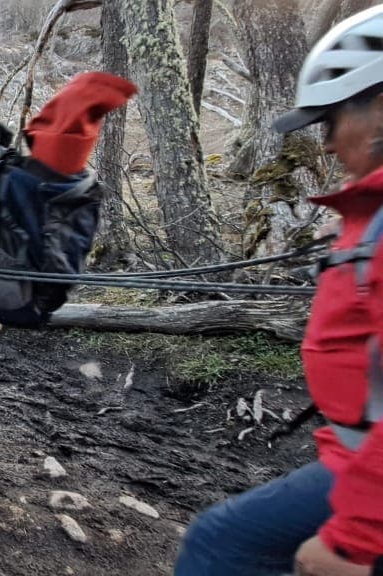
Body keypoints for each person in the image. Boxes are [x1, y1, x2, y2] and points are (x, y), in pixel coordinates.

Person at [175, 6, 383, 575]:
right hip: (357, 455)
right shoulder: (370, 219)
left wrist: (353, 537)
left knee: (221, 544)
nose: (328, 143)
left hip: (369, 471)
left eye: (333, 119)